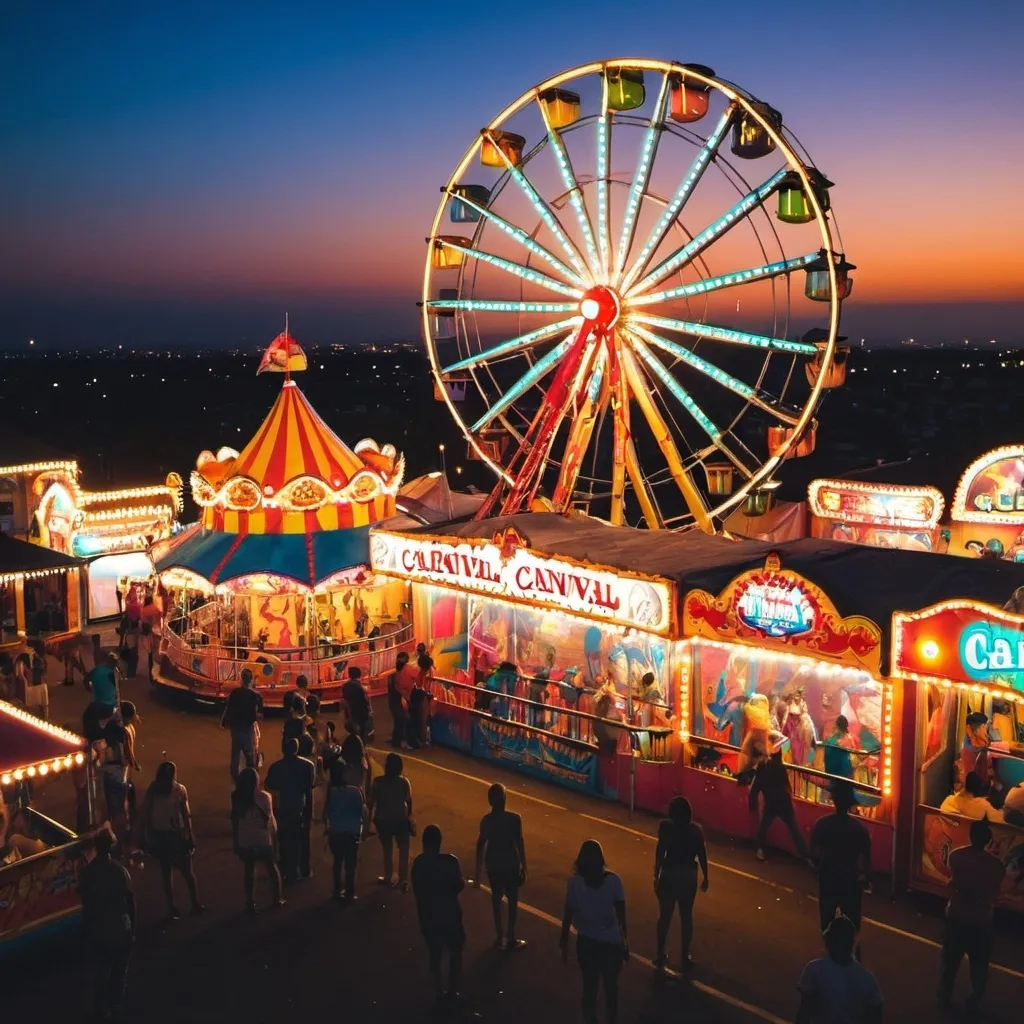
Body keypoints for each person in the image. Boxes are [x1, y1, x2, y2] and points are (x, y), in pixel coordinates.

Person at [938, 818, 1005, 1012]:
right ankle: (975, 999)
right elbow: (995, 891)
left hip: (958, 913)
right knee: (979, 964)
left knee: (950, 960)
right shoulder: (997, 866)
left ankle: (944, 995)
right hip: (981, 919)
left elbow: (953, 882)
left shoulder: (956, 856)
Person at [560, 840, 628, 1024]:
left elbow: (568, 913)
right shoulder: (614, 881)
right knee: (611, 988)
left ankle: (590, 1019)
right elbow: (621, 916)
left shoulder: (574, 883)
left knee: (589, 987)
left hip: (587, 942)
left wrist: (564, 941)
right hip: (611, 943)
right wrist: (625, 942)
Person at [79, 827, 135, 1024]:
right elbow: (130, 903)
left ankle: (100, 1009)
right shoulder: (120, 871)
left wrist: (86, 933)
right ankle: (116, 1008)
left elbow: (87, 906)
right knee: (120, 973)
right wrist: (132, 929)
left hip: (100, 928)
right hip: (120, 926)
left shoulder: (86, 874)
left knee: (103, 971)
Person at [137, 761, 203, 923]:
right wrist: (190, 835)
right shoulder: (179, 790)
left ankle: (175, 907)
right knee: (185, 872)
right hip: (174, 835)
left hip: (165, 835)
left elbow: (146, 812)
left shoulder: (156, 789)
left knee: (169, 873)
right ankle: (192, 903)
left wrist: (146, 833)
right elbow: (186, 815)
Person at [411, 825, 467, 1006]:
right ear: (439, 842)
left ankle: (439, 992)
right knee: (455, 952)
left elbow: (418, 890)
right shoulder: (450, 862)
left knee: (434, 953)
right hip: (450, 914)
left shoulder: (419, 864)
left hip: (429, 916)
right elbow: (459, 885)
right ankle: (453, 991)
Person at [810, 781, 871, 939]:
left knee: (827, 921)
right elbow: (866, 859)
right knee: (852, 923)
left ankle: (831, 951)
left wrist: (818, 868)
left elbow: (813, 853)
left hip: (828, 877)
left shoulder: (822, 824)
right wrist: (865, 878)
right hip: (850, 880)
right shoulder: (860, 829)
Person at [654, 796, 708, 973]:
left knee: (665, 916)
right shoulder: (696, 831)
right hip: (688, 876)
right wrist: (706, 877)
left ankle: (660, 953)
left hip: (669, 874)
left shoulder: (666, 828)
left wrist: (656, 874)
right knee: (686, 917)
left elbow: (660, 852)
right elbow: (702, 856)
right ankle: (685, 953)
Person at [796, 915, 883, 1024]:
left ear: (828, 941)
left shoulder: (814, 970)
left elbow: (804, 1013)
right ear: (853, 944)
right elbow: (876, 1017)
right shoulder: (869, 980)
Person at [474, 782, 527, 950]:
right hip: (510, 864)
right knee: (512, 900)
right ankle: (510, 935)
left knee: (496, 899)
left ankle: (499, 935)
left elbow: (480, 845)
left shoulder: (486, 821)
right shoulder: (514, 819)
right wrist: (524, 865)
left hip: (494, 864)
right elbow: (520, 843)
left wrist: (478, 871)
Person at [231, 766, 284, 912]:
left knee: (249, 870)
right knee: (271, 868)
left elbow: (235, 821)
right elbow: (271, 821)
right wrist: (274, 841)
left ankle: (250, 902)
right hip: (262, 838)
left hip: (246, 839)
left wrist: (236, 841)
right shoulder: (265, 797)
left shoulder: (236, 798)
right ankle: (277, 898)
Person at [265, 736, 315, 884]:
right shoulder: (307, 765)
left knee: (284, 838)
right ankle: (299, 870)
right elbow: (309, 789)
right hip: (300, 804)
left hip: (282, 805)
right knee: (299, 838)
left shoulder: (276, 767)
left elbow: (269, 785)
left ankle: (287, 870)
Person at [749, 750, 811, 862]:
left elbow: (757, 786)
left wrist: (752, 801)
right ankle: (804, 853)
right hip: (784, 802)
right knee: (793, 827)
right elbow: (786, 786)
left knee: (764, 825)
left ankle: (760, 849)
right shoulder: (780, 767)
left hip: (771, 802)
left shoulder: (763, 766)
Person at [323, 760, 367, 903]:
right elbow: (363, 812)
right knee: (350, 865)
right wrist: (364, 830)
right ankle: (349, 893)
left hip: (336, 832)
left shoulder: (332, 792)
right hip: (352, 832)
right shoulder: (355, 792)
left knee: (337, 862)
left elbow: (327, 813)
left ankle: (337, 891)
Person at [369, 751, 413, 889]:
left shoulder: (378, 782)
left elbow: (371, 802)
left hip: (383, 819)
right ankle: (403, 880)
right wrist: (409, 817)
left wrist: (369, 820)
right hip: (400, 818)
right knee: (404, 849)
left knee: (387, 848)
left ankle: (388, 877)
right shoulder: (404, 782)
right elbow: (409, 801)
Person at [221, 667, 264, 781]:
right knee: (249, 753)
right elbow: (259, 715)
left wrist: (226, 723)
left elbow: (228, 708)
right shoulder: (256, 696)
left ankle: (235, 777)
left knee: (235, 753)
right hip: (247, 728)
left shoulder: (235, 693)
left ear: (241, 679)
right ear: (251, 681)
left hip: (235, 728)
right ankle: (252, 777)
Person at [940, 771, 1004, 822]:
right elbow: (999, 819)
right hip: (970, 836)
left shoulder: (948, 800)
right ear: (978, 789)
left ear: (965, 784)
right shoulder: (983, 805)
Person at [342, 666, 373, 744]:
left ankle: (354, 741)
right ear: (359, 675)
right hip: (361, 711)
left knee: (353, 728)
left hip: (350, 711)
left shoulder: (346, 686)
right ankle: (361, 744)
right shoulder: (361, 687)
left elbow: (345, 699)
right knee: (362, 730)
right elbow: (366, 700)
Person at [387, 650, 411, 748]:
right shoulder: (395, 676)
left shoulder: (395, 675)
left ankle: (397, 740)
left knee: (400, 721)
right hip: (397, 701)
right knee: (400, 720)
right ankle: (396, 741)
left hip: (396, 701)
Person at [26, 650, 49, 720]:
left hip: (38, 680)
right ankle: (44, 715)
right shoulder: (36, 658)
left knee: (42, 699)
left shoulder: (37, 659)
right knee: (42, 699)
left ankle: (44, 716)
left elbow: (43, 668)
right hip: (36, 681)